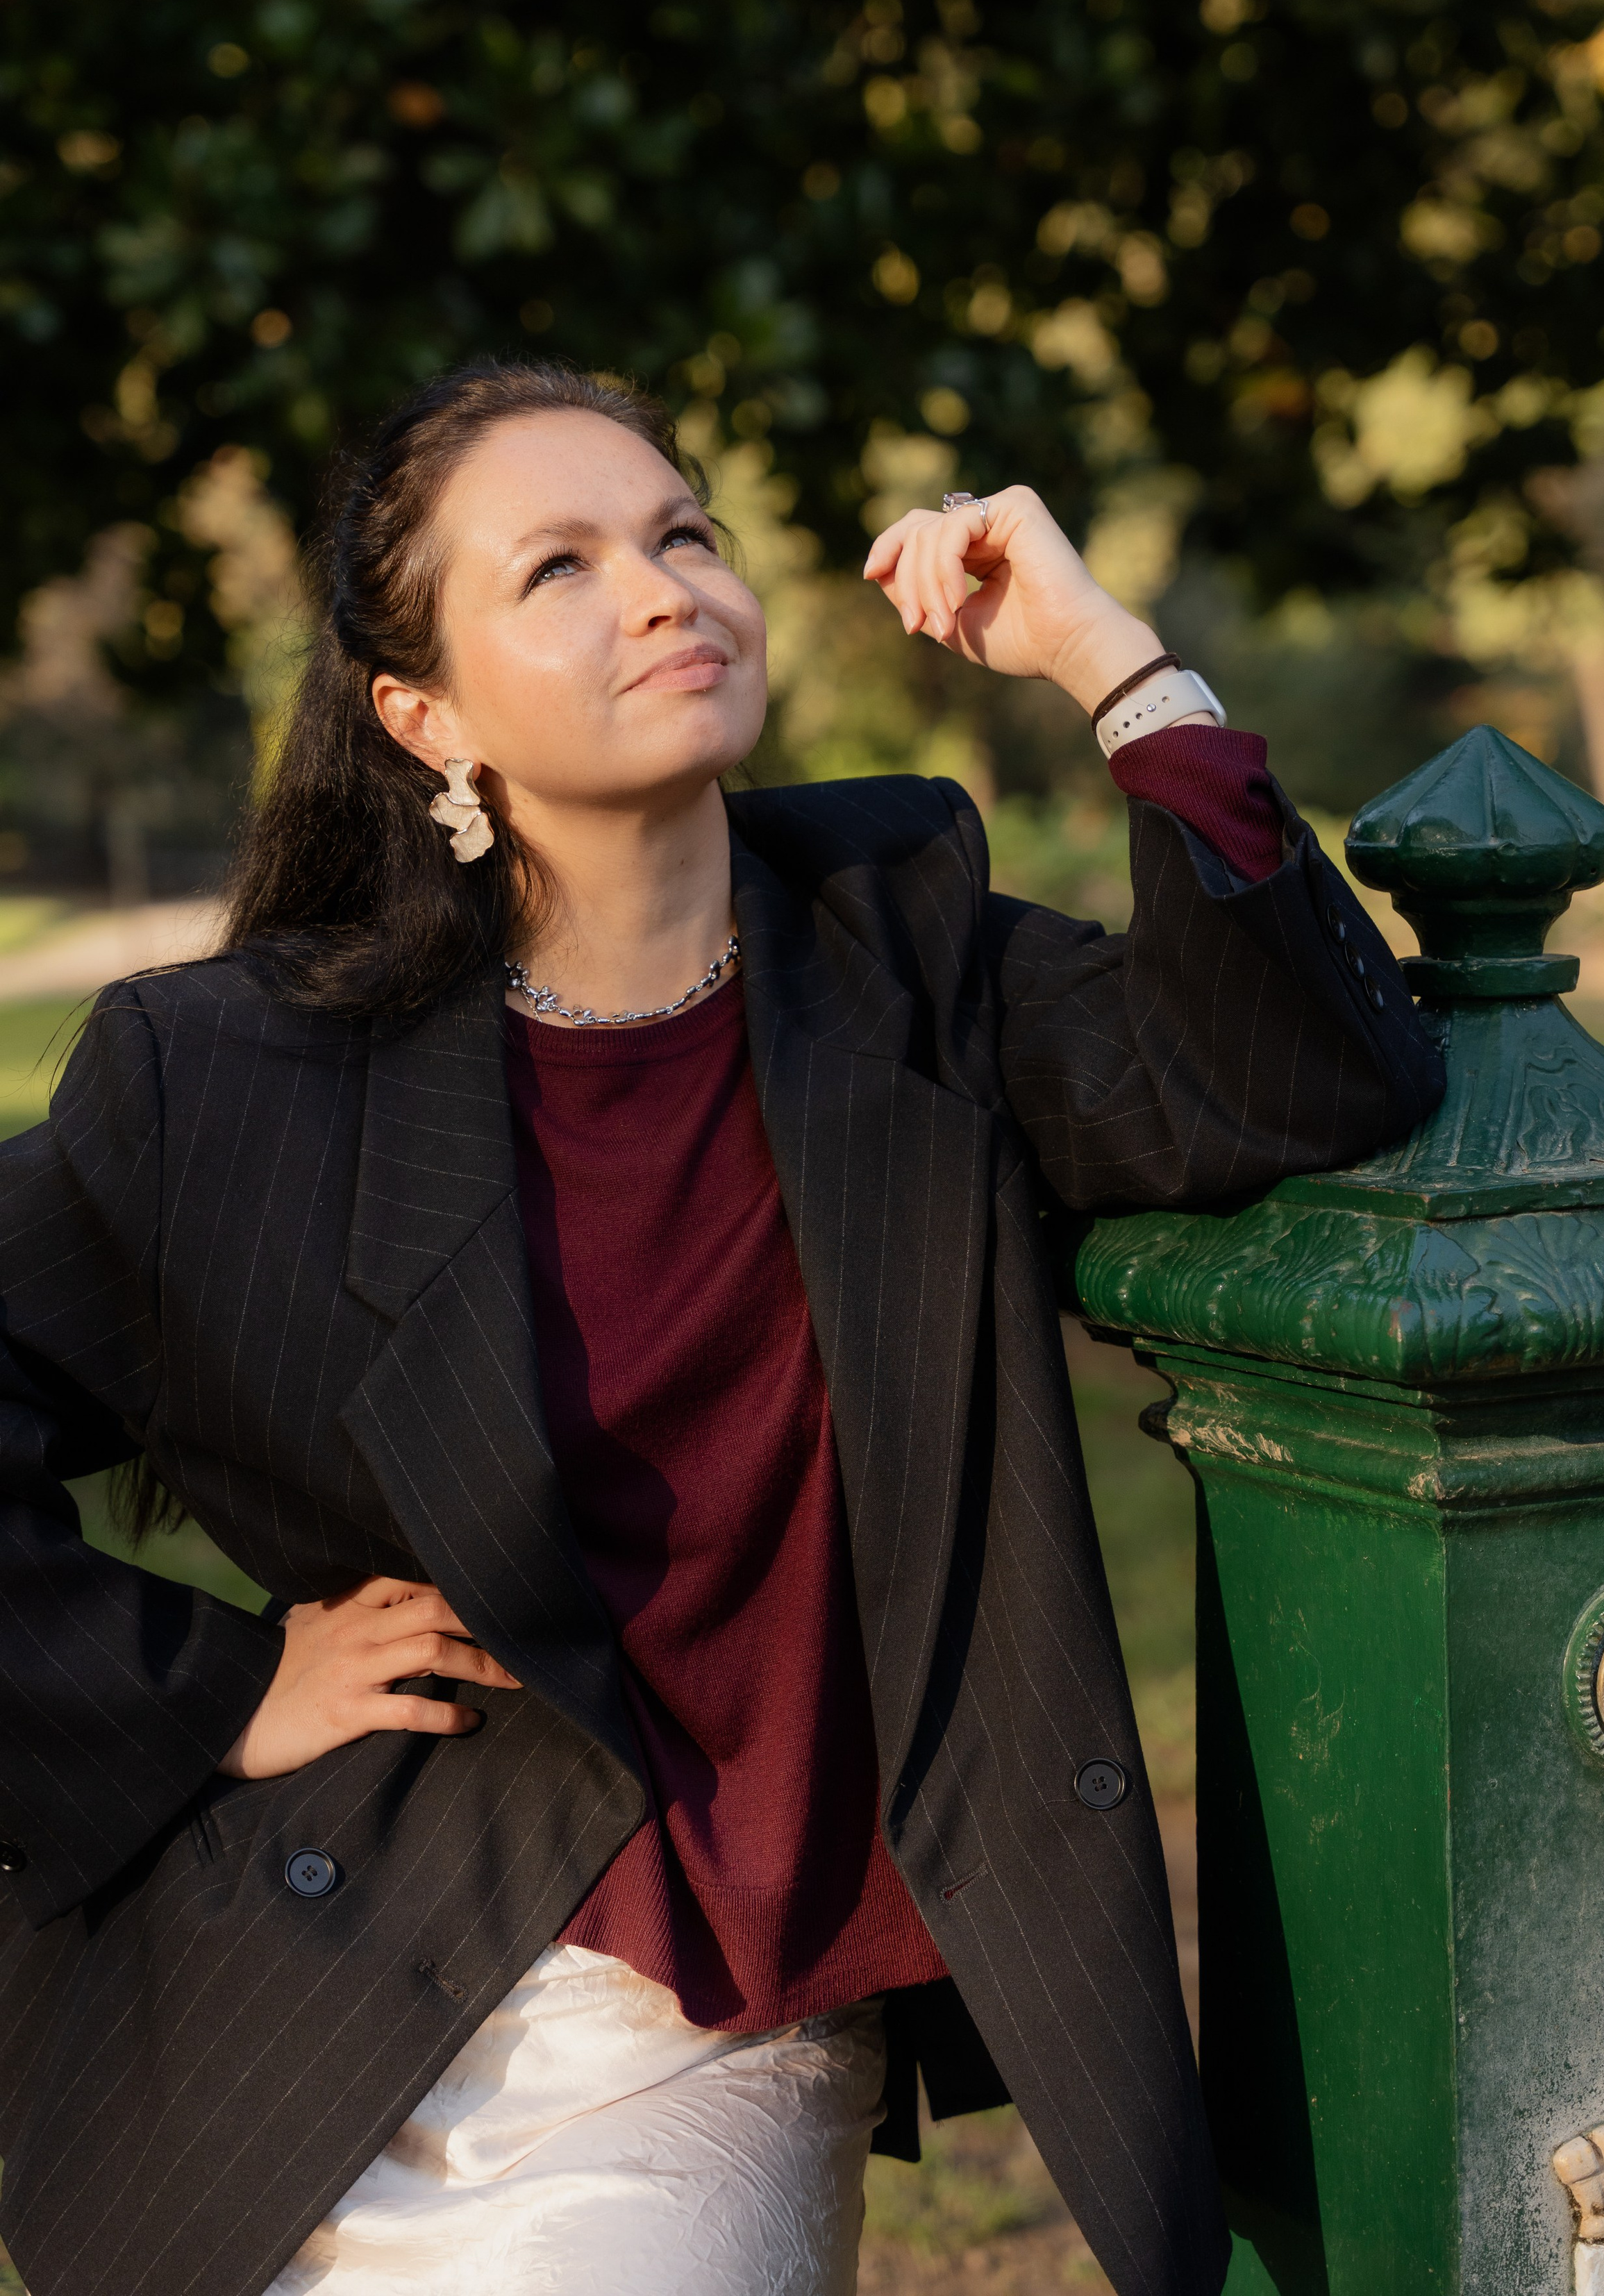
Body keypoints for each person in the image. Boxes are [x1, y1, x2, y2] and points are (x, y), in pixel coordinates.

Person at [0, 359, 1443, 2296]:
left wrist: (1117, 665)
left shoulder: (913, 960)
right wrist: (212, 1691)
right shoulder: (235, 1079)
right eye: (565, 567)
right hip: (299, 1998)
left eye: (685, 534)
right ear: (422, 716)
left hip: (693, 2022)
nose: (666, 588)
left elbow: (1304, 1077)